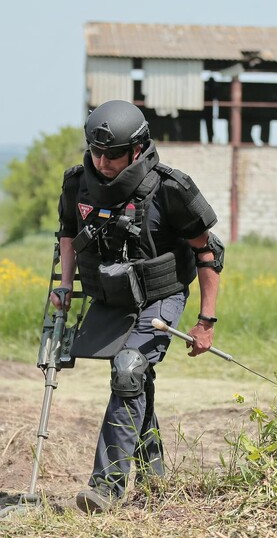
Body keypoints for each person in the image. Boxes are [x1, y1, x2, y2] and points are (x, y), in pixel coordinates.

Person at [51, 99, 225, 514]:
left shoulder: (170, 188)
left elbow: (208, 252)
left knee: (129, 367)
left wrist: (206, 320)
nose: (102, 161)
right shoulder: (77, 184)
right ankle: (154, 475)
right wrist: (65, 286)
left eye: (112, 154)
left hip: (162, 296)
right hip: (111, 297)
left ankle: (106, 488)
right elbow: (68, 236)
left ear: (137, 147)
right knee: (137, 380)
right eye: (96, 151)